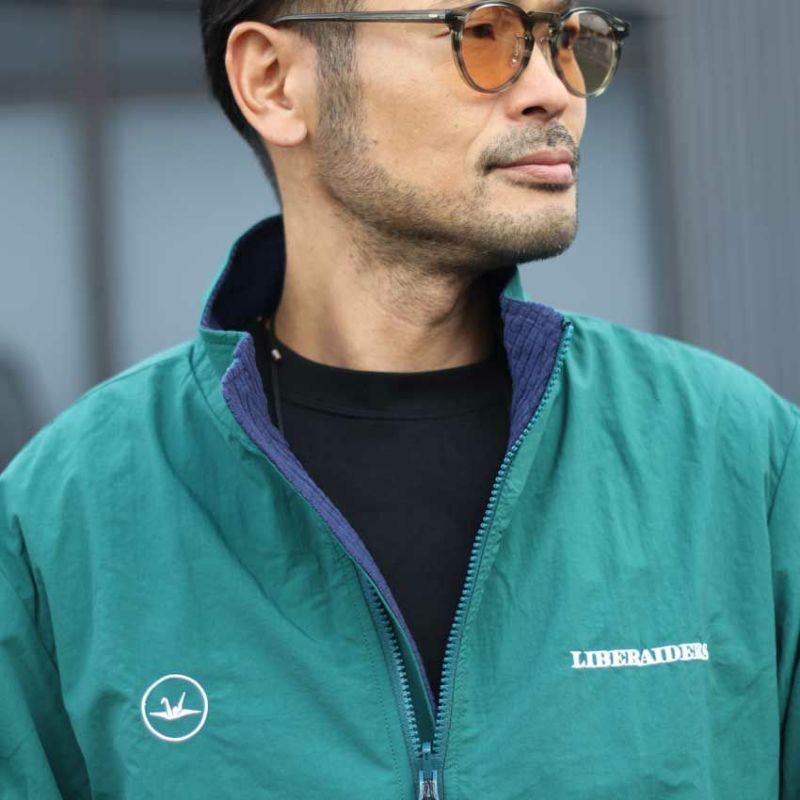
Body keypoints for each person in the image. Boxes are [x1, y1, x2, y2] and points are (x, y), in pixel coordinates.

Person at [0, 0, 797, 797]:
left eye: (567, 39)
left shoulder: (743, 464)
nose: (553, 91)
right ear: (273, 81)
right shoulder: (62, 522)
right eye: (483, 34)